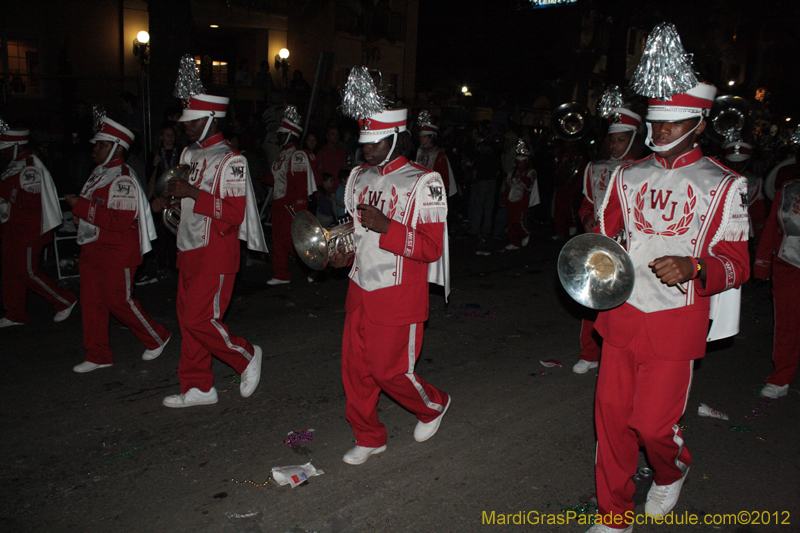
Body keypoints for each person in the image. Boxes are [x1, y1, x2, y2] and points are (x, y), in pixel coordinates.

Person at [587, 36, 750, 531]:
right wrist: (595, 255)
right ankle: (614, 514)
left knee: (653, 425)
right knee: (612, 420)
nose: (660, 131)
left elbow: (737, 263)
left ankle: (672, 468)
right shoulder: (627, 174)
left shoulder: (724, 183)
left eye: (673, 122)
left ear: (700, 123)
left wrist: (697, 267)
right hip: (622, 313)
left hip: (676, 318)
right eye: (656, 122)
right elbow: (603, 236)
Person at [331, 66, 451, 466]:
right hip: (359, 291)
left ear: (396, 137)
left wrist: (389, 228)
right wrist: (340, 251)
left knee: (389, 373)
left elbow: (433, 248)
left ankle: (433, 404)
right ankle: (368, 436)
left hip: (399, 295)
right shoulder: (358, 176)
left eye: (375, 142)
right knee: (355, 373)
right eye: (364, 142)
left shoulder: (425, 181)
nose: (366, 149)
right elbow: (354, 234)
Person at [154, 61, 267, 407]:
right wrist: (168, 200)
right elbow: (184, 199)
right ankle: (198, 387)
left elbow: (234, 214)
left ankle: (246, 355)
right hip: (187, 247)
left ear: (211, 119)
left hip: (216, 250)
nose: (186, 127)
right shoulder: (190, 153)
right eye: (185, 121)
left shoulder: (232, 160)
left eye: (192, 121)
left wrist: (190, 194)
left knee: (200, 319)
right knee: (188, 321)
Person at [64, 117, 170, 373]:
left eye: (100, 145)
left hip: (117, 251)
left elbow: (120, 220)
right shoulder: (100, 173)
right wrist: (81, 215)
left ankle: (157, 335)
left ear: (117, 147)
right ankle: (98, 354)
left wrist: (80, 206)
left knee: (119, 301)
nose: (94, 149)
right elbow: (97, 208)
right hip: (93, 248)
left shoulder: (123, 179)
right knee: (91, 302)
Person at [574, 106, 642, 375]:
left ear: (633, 140)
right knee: (591, 300)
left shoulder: (642, 170)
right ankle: (589, 353)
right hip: (599, 245)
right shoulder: (595, 167)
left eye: (621, 140)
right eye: (612, 140)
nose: (615, 145)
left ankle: (621, 355)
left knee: (627, 305)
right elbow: (587, 204)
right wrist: (586, 218)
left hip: (631, 247)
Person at [0, 126, 77, 328]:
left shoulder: (30, 169)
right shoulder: (15, 165)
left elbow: (30, 202)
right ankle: (15, 312)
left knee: (27, 272)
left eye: (4, 147)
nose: (2, 151)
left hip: (28, 230)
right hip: (12, 229)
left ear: (16, 146)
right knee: (10, 270)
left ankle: (64, 299)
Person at [753, 176, 800, 399]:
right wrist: (762, 262)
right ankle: (781, 377)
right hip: (790, 264)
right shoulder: (789, 189)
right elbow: (773, 225)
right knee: (787, 323)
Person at [265, 106, 316, 285]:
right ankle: (280, 274)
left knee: (294, 242)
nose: (278, 137)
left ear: (289, 135)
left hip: (290, 204)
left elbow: (301, 185)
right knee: (278, 240)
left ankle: (313, 268)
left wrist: (298, 208)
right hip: (279, 204)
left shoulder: (298, 155)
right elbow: (276, 180)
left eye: (281, 134)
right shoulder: (282, 155)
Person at [502, 139, 539, 250]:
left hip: (522, 201)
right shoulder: (512, 172)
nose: (520, 164)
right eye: (518, 162)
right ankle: (514, 242)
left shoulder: (530, 172)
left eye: (522, 162)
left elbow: (529, 186)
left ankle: (525, 234)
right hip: (511, 200)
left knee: (517, 221)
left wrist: (523, 172)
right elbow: (509, 186)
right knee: (510, 223)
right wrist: (504, 199)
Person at [416, 111, 458, 198]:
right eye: (420, 136)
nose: (421, 138)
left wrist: (436, 198)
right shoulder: (419, 150)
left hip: (433, 192)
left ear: (431, 137)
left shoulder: (439, 155)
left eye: (424, 136)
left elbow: (443, 179)